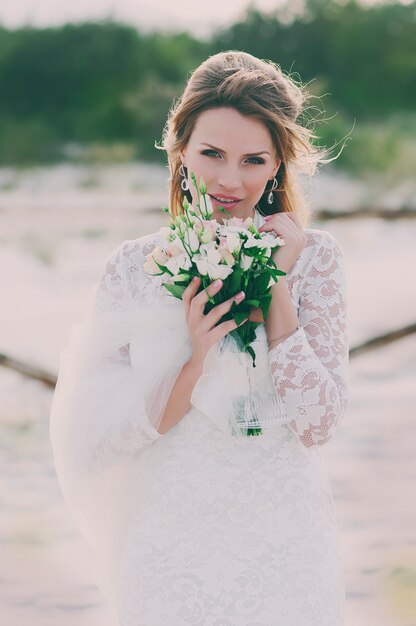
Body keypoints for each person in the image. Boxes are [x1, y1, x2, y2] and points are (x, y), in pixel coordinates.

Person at [49, 50, 349, 625]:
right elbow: (96, 442)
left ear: (278, 167)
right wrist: (193, 360)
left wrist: (277, 286)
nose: (229, 180)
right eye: (211, 153)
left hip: (283, 541)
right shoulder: (135, 266)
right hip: (169, 541)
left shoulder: (317, 261)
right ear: (180, 149)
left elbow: (318, 424)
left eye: (253, 159)